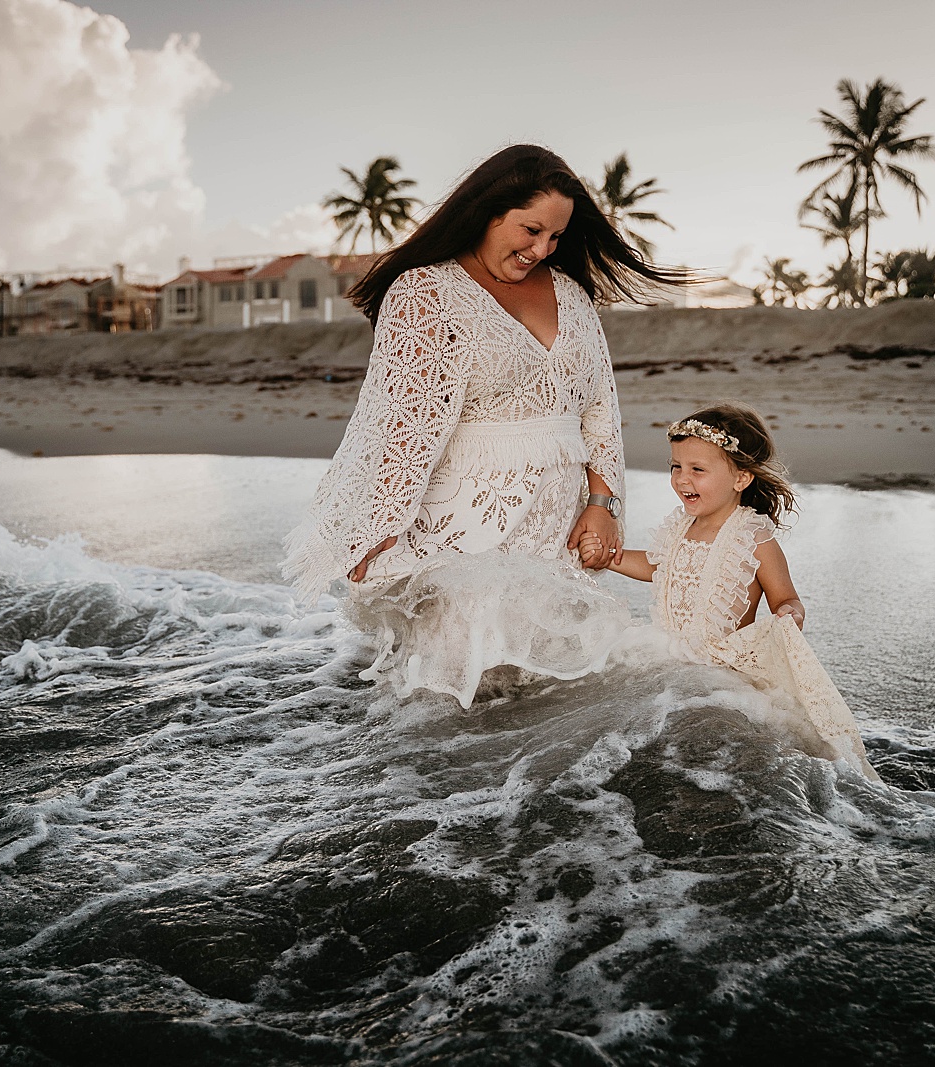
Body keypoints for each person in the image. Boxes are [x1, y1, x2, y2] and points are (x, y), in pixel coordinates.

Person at [283, 145, 688, 707]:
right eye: (530, 229)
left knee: (544, 692)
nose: (541, 249)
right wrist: (380, 524)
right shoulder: (426, 292)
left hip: (553, 527)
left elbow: (597, 409)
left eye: (555, 237)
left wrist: (603, 503)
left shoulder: (570, 295)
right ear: (489, 210)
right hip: (464, 527)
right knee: (447, 703)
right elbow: (409, 427)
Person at [583, 402, 880, 780]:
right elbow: (661, 567)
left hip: (723, 673)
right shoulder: (680, 527)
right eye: (676, 466)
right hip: (668, 656)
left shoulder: (753, 539)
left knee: (715, 740)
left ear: (741, 478)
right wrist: (612, 557)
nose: (681, 479)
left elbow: (786, 597)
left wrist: (791, 613)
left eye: (697, 470)